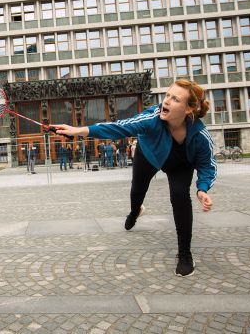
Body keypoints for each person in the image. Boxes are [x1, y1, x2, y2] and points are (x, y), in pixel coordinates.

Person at [53, 79, 216, 277]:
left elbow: (207, 165)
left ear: (189, 109)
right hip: (148, 154)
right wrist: (78, 131)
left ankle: (184, 254)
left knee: (180, 196)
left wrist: (202, 189)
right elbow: (119, 127)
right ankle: (134, 211)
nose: (166, 102)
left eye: (175, 99)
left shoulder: (199, 134)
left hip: (180, 165)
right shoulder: (152, 118)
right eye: (167, 96)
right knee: (137, 190)